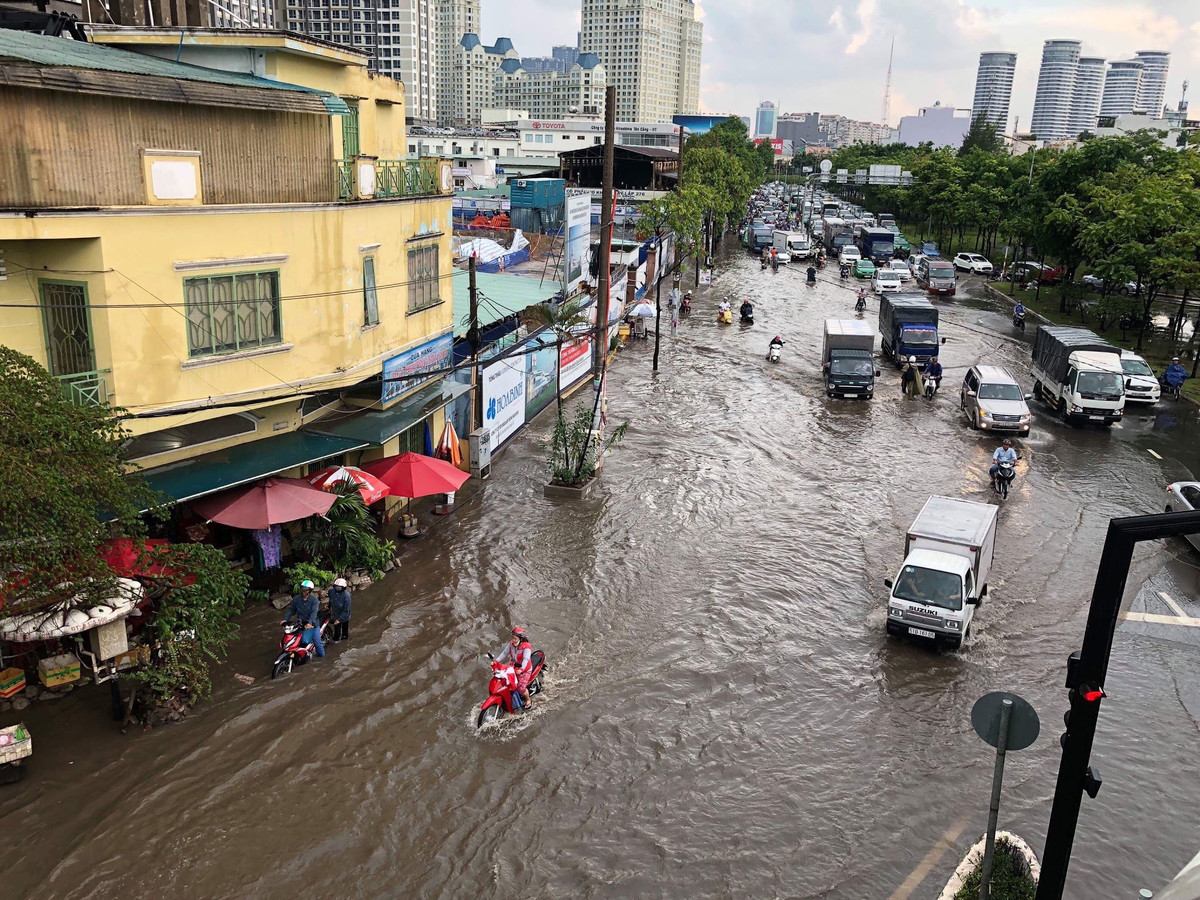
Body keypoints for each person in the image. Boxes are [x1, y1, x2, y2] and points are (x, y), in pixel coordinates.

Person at [495, 626, 534, 709]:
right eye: (512, 638)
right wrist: (496, 661)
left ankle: (528, 700)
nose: (513, 640)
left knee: (521, 688)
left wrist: (521, 669)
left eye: (515, 639)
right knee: (505, 681)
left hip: (524, 670)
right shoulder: (511, 644)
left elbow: (525, 659)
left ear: (520, 639)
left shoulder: (526, 647)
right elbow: (505, 653)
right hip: (513, 667)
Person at [283, 580, 325, 658]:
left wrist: (310, 623)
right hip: (300, 623)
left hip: (313, 624)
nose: (303, 591)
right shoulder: (296, 599)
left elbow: (314, 612)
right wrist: (285, 619)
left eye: (305, 590)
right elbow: (292, 610)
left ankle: (322, 656)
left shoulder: (314, 600)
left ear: (309, 591)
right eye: (302, 589)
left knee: (317, 643)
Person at [328, 577, 351, 643]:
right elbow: (331, 600)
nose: (337, 589)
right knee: (337, 630)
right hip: (335, 613)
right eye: (336, 587)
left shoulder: (347, 596)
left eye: (339, 588)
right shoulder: (331, 592)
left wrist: (339, 619)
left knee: (344, 629)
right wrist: (329, 606)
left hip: (344, 616)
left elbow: (346, 610)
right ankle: (336, 639)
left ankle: (344, 638)